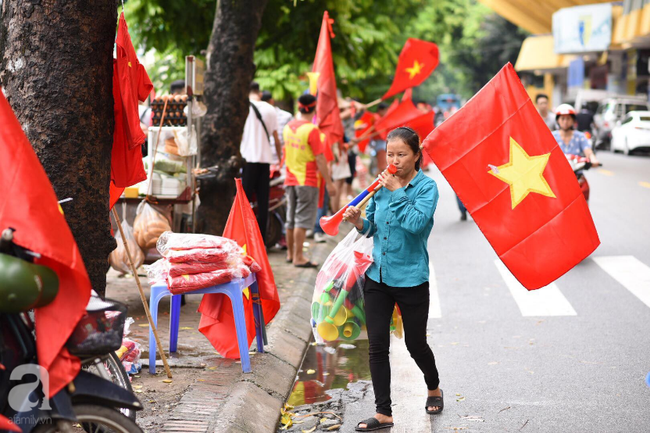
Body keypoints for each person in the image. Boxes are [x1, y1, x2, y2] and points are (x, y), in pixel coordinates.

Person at [343, 126, 442, 431]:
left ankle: (434, 387)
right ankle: (383, 412)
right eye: (390, 154)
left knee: (415, 344)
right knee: (376, 346)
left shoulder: (427, 188)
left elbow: (415, 225)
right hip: (378, 276)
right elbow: (374, 227)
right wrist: (359, 221)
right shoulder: (379, 185)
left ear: (416, 156)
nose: (395, 160)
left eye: (402, 154)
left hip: (411, 278)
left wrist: (397, 191)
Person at [284, 94, 336, 267]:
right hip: (307, 180)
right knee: (302, 219)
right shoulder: (312, 130)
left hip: (290, 179)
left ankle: (291, 254)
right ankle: (299, 257)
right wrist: (329, 182)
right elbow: (320, 158)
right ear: (314, 109)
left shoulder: (288, 127)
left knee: (291, 218)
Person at [240, 82, 282, 243]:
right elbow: (276, 140)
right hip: (265, 162)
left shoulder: (242, 107)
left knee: (244, 202)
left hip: (247, 161)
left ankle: (243, 238)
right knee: (263, 204)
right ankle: (261, 241)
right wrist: (279, 161)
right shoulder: (269, 108)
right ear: (259, 92)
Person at [552, 104, 600, 175]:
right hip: (556, 176)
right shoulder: (551, 136)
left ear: (573, 120)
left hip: (577, 176)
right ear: (557, 120)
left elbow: (588, 152)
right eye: (562, 118)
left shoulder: (580, 136)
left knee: (584, 185)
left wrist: (593, 159)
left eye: (568, 118)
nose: (565, 122)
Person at [261, 90, 294, 165]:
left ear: (271, 102)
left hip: (284, 161)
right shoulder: (258, 118)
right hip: (265, 160)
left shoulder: (286, 116)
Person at [370, 103, 389, 175]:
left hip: (380, 141)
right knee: (382, 166)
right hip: (379, 142)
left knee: (382, 166)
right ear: (381, 110)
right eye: (385, 111)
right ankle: (375, 184)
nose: (386, 113)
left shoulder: (377, 117)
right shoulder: (376, 118)